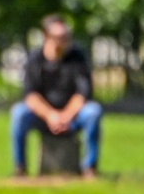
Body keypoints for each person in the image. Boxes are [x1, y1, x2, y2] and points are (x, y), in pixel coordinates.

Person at [9, 14, 103, 178]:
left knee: (93, 111)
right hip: (43, 118)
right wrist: (51, 115)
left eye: (67, 36)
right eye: (60, 37)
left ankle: (90, 168)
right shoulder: (35, 59)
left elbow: (83, 93)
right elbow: (31, 96)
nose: (65, 40)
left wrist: (65, 116)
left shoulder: (77, 57)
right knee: (19, 113)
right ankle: (20, 168)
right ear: (46, 36)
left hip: (72, 117)